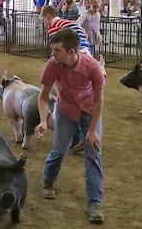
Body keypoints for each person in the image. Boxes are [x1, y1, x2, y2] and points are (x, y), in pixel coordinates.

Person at [35, 27, 106, 224]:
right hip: (65, 109)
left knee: (93, 152)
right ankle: (48, 181)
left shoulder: (93, 68)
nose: (52, 54)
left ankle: (95, 203)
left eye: (56, 50)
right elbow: (42, 97)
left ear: (71, 52)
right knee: (60, 150)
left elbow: (99, 101)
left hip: (89, 110)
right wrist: (42, 120)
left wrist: (92, 131)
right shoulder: (53, 65)